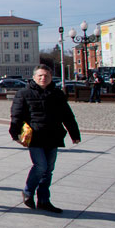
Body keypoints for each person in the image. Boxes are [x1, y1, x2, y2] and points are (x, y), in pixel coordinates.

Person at [9, 65, 81, 214]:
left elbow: (67, 115)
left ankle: (43, 200)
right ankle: (28, 192)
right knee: (40, 166)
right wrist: (15, 134)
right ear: (34, 77)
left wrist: (74, 134)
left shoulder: (57, 93)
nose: (43, 78)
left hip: (53, 135)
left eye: (46, 76)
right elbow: (16, 115)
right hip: (35, 136)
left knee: (49, 170)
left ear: (50, 77)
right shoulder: (24, 93)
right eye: (40, 75)